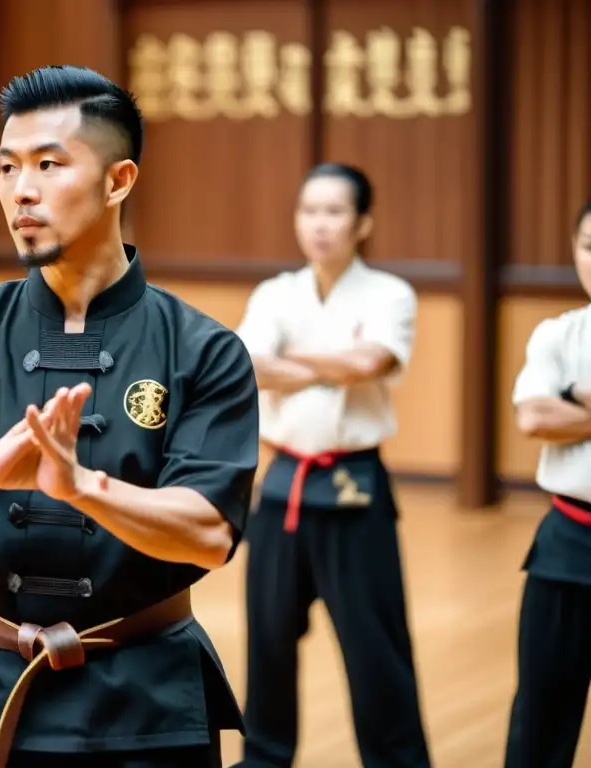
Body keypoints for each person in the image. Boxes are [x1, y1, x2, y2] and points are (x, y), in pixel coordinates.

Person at [0, 65, 259, 768]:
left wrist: (82, 488)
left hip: (143, 700)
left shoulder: (203, 349)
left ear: (118, 181)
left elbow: (209, 534)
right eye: (7, 168)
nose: (20, 190)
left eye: (48, 164)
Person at [234, 163, 431, 768]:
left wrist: (293, 361)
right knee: (267, 637)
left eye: (335, 212)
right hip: (285, 481)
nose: (319, 225)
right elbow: (249, 365)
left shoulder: (389, 293)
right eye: (309, 211)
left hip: (354, 485)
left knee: (375, 644)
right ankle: (265, 756)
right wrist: (328, 364)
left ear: (362, 222)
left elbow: (370, 361)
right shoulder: (275, 293)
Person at [505, 199, 591, 768]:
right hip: (567, 541)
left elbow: (556, 413)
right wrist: (557, 408)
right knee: (542, 711)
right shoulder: (559, 334)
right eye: (589, 246)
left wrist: (576, 406)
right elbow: (534, 418)